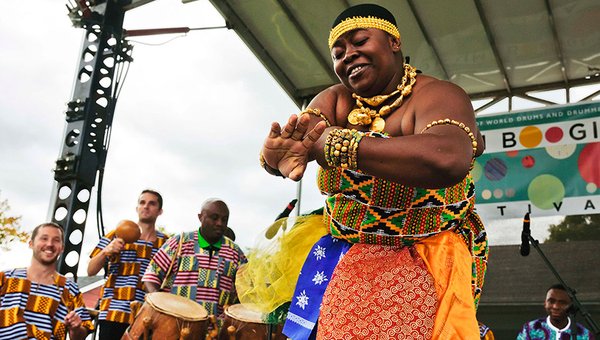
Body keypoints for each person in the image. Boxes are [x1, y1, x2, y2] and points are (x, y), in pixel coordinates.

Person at [256, 3, 488, 339]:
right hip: (348, 256)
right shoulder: (335, 101)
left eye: (360, 41)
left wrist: (345, 146)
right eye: (338, 52)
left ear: (394, 43)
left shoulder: (438, 94)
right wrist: (275, 159)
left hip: (422, 258)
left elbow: (448, 157)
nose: (348, 55)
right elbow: (303, 140)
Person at [142, 198, 247, 319]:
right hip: (174, 324)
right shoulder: (179, 242)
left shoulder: (235, 253)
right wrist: (160, 306)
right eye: (214, 218)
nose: (219, 223)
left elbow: (246, 292)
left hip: (215, 330)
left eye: (224, 220)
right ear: (200, 217)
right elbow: (151, 276)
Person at [87, 189, 169, 339]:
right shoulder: (116, 234)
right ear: (137, 208)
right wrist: (106, 251)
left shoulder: (166, 243)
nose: (146, 206)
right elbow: (90, 270)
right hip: (113, 312)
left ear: (160, 211)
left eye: (152, 204)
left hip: (146, 316)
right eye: (142, 203)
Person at [0, 222, 94, 340]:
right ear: (31, 243)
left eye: (56, 240)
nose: (50, 244)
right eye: (44, 238)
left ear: (62, 248)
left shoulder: (69, 288)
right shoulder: (6, 278)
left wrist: (76, 328)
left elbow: (81, 336)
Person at [517, 284, 595, 339]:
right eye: (551, 301)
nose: (555, 307)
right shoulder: (530, 329)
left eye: (562, 303)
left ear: (571, 306)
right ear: (545, 303)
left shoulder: (585, 335)